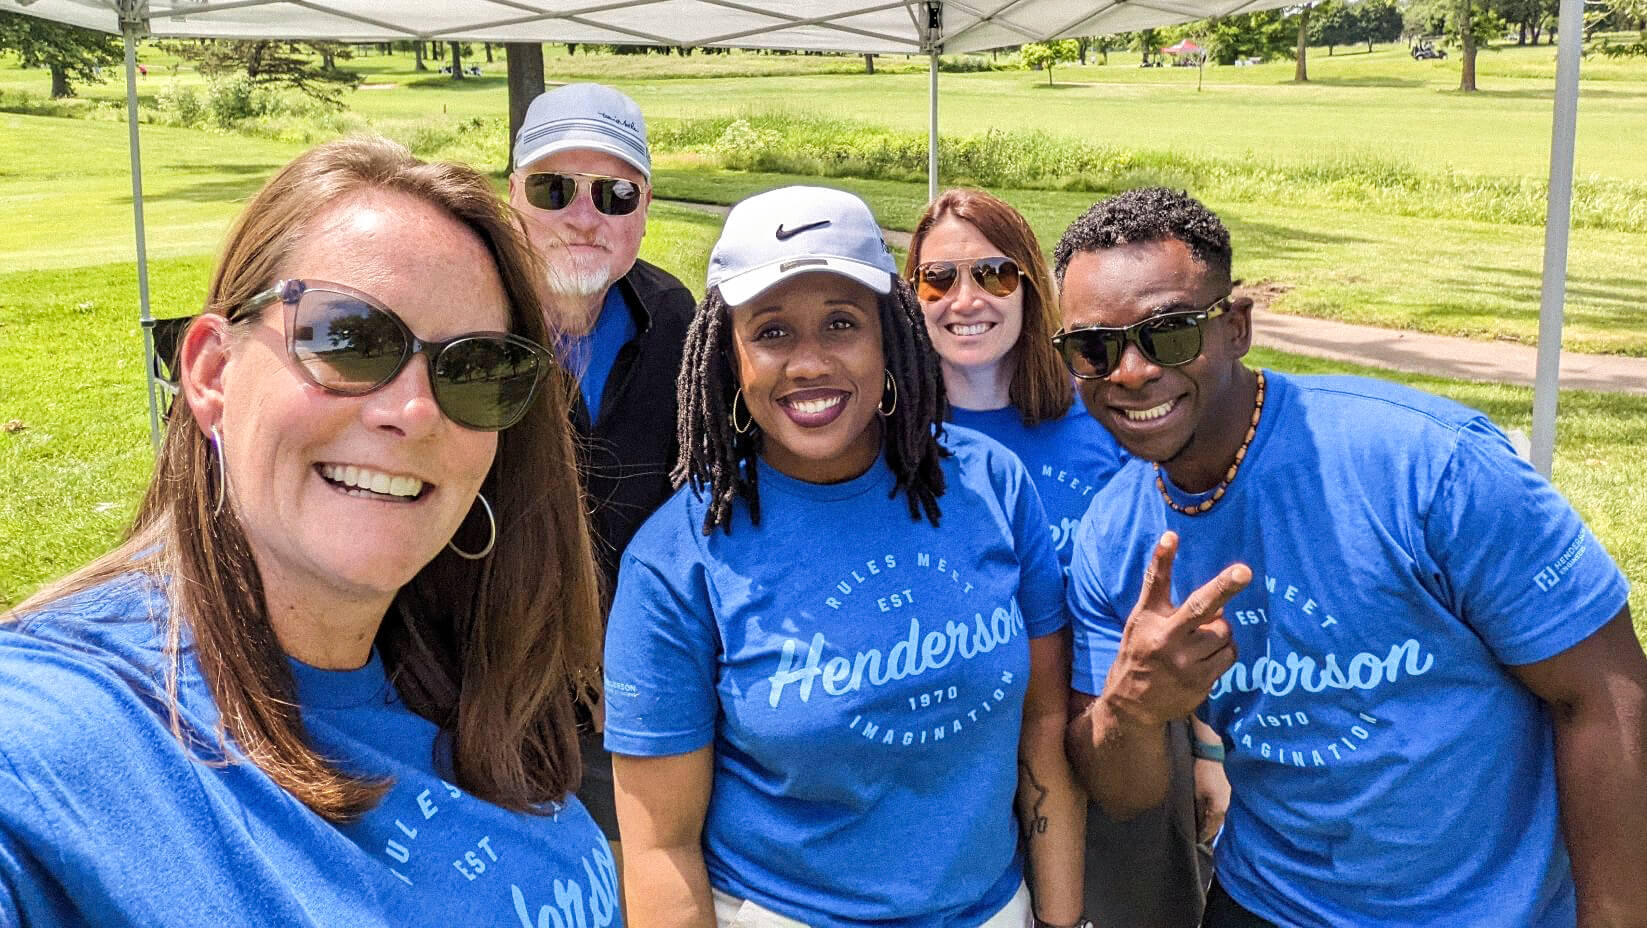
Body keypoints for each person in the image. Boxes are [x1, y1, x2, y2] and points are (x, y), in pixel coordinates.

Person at [0, 137, 619, 926]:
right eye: (349, 339)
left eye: (473, 368)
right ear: (212, 374)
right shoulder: (52, 738)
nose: (413, 411)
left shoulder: (471, 667)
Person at [1055, 186, 1647, 927]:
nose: (1131, 371)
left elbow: (1604, 694)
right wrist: (1133, 708)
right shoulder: (1114, 537)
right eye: (1094, 348)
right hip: (1267, 903)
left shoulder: (1427, 466)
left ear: (1235, 327)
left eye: (1169, 333)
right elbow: (1125, 794)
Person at [602, 186, 1085, 928]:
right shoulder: (676, 562)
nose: (809, 362)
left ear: (889, 336)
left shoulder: (990, 485)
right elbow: (660, 847)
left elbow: (1043, 726)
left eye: (841, 323)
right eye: (771, 331)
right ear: (730, 355)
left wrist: (1060, 920)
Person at [905, 187, 1214, 927]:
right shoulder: (895, 436)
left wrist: (1207, 747)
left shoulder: (1106, 412)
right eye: (938, 279)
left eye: (994, 274)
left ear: (1030, 287)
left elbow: (1180, 577)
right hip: (971, 754)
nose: (966, 300)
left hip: (1121, 732)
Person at [506, 82, 697, 846]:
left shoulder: (673, 317)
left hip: (641, 678)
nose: (585, 217)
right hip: (494, 676)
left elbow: (695, 496)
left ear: (643, 211)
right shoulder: (469, 321)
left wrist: (634, 647)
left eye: (616, 194)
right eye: (554, 189)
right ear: (512, 198)